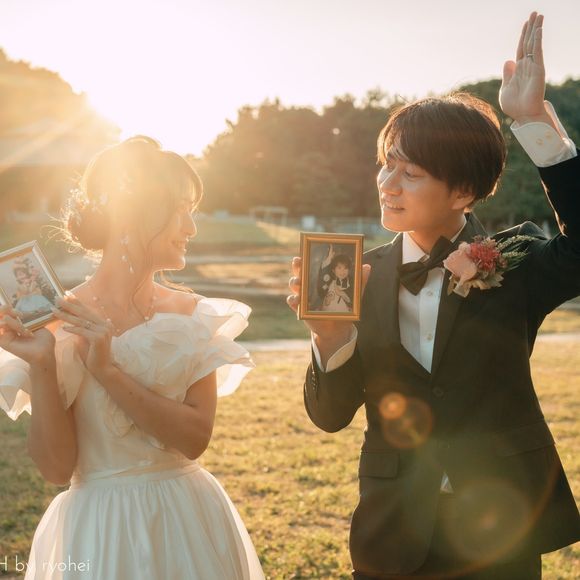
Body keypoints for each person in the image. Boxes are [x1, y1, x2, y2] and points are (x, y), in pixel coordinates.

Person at [287, 12, 580, 579]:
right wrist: (330, 339)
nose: (388, 185)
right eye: (386, 165)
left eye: (411, 172)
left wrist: (535, 124)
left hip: (499, 528)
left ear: (463, 191)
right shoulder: (355, 275)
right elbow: (329, 417)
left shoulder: (514, 261)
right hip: (393, 533)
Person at [0, 136, 265, 579]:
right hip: (97, 531)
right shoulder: (55, 322)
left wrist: (106, 370)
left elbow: (195, 438)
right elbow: (56, 468)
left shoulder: (194, 316)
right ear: (134, 212)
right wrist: (43, 365)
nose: (191, 227)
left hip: (185, 521)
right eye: (181, 209)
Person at [317, 245, 353, 312]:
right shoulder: (330, 281)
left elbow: (351, 300)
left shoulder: (350, 283)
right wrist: (329, 258)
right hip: (327, 311)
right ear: (333, 270)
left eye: (346, 268)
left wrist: (341, 293)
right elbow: (322, 276)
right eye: (339, 268)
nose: (342, 271)